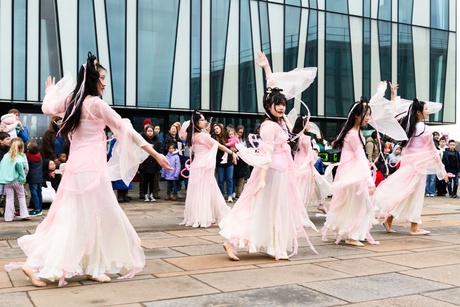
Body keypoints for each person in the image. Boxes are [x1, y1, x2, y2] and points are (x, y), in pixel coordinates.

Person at [6, 52, 170, 287]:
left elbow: (47, 107)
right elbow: (125, 130)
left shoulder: (72, 100)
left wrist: (50, 91)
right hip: (91, 170)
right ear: (93, 79)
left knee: (86, 218)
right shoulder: (96, 104)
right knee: (82, 219)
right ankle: (35, 264)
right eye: (102, 77)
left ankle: (92, 266)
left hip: (78, 168)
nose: (105, 82)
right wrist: (155, 153)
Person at [219, 86, 318, 261]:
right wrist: (261, 179)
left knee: (275, 209)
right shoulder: (268, 126)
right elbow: (266, 154)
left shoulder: (278, 123)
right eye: (277, 104)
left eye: (283, 104)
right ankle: (232, 241)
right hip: (271, 172)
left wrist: (267, 69)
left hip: (281, 171)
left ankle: (274, 246)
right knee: (258, 208)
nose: (281, 107)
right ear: (268, 105)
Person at [373, 97, 448, 235]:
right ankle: (414, 227)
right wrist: (442, 173)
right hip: (418, 167)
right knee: (415, 195)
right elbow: (433, 152)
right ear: (419, 112)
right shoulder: (425, 129)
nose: (428, 112)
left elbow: (395, 115)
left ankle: (389, 219)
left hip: (408, 165)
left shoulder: (408, 126)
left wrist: (393, 96)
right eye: (426, 109)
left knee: (404, 193)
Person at [322, 98, 379, 247]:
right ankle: (352, 235)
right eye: (366, 115)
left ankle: (354, 232)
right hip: (353, 173)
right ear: (357, 115)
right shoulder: (353, 134)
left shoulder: (356, 132)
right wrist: (369, 181)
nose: (368, 118)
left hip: (353, 172)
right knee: (356, 203)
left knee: (356, 203)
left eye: (369, 115)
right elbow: (361, 157)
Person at [178, 111, 237, 228]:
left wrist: (180, 126)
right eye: (202, 120)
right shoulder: (202, 136)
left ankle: (196, 216)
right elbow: (217, 145)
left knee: (197, 191)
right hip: (204, 165)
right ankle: (204, 216)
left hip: (196, 165)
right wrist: (231, 152)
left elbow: (181, 135)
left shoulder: (190, 135)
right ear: (196, 122)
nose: (204, 122)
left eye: (204, 119)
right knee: (206, 191)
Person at [0, 138, 30, 221]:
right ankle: (24, 214)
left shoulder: (5, 156)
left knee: (9, 198)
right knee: (21, 196)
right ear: (21, 148)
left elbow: (1, 168)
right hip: (17, 181)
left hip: (6, 182)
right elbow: (22, 170)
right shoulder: (20, 157)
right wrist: (23, 180)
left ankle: (8, 217)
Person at [212, 123, 235, 202]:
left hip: (229, 161)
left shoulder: (227, 136)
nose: (216, 130)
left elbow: (234, 142)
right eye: (214, 129)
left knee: (229, 178)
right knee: (221, 179)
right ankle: (221, 195)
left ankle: (229, 195)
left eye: (217, 128)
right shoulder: (213, 138)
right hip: (219, 162)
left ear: (221, 128)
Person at [139, 124, 161, 202]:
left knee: (152, 181)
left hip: (154, 163)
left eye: (151, 131)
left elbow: (159, 151)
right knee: (145, 181)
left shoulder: (156, 140)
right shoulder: (143, 140)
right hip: (145, 163)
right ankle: (145, 194)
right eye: (148, 131)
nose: (150, 132)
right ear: (146, 132)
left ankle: (151, 194)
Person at [25, 140, 44, 216]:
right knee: (39, 192)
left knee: (34, 193)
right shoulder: (39, 155)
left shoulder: (27, 156)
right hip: (39, 177)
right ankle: (40, 208)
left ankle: (36, 209)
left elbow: (27, 167)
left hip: (32, 177)